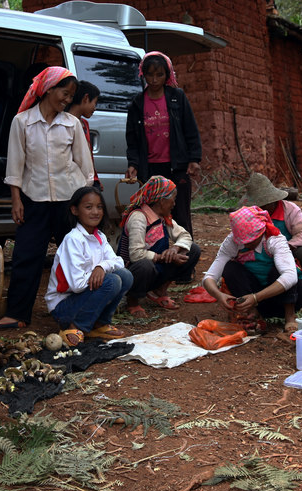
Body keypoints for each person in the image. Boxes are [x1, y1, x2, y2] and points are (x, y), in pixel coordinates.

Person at [0, 66, 94, 331]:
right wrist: (16, 199)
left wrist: (84, 202)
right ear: (48, 89)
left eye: (71, 96)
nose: (67, 100)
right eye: (64, 94)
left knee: (77, 256)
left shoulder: (72, 125)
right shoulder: (22, 122)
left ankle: (83, 312)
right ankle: (17, 314)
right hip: (34, 199)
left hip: (69, 201)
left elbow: (84, 166)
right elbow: (16, 164)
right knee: (26, 256)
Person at [125, 52, 202, 268]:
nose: (154, 79)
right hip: (150, 169)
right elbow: (131, 138)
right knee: (152, 215)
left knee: (181, 214)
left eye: (159, 75)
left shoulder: (177, 97)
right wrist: (133, 164)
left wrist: (194, 158)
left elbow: (190, 128)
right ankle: (157, 263)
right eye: (149, 75)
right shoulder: (138, 103)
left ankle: (185, 266)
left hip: (176, 166)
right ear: (144, 75)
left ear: (166, 75)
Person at [45, 187, 133, 347]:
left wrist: (101, 266)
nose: (95, 212)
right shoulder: (73, 240)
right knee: (112, 281)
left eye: (99, 207)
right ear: (74, 210)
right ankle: (74, 326)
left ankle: (99, 324)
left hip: (83, 299)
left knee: (125, 276)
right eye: (88, 207)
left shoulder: (99, 236)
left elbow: (118, 262)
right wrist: (101, 274)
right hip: (63, 306)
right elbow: (77, 286)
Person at [201, 206, 302, 334]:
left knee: (279, 271)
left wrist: (256, 297)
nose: (246, 244)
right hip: (257, 301)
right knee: (230, 268)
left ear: (261, 232)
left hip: (289, 297)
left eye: (251, 240)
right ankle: (254, 314)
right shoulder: (231, 242)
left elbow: (290, 277)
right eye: (242, 241)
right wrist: (218, 295)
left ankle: (290, 316)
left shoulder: (274, 239)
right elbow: (209, 277)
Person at [119, 176, 201, 317]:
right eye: (172, 199)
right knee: (145, 265)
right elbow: (136, 254)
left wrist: (174, 249)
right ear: (162, 200)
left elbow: (185, 236)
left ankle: (159, 290)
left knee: (193, 250)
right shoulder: (139, 217)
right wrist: (161, 257)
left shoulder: (163, 217)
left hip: (156, 267)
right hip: (134, 271)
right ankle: (132, 300)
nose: (174, 203)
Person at [241, 172, 302, 279]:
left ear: (273, 200)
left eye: (265, 204)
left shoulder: (290, 210)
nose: (261, 208)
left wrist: (284, 247)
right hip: (260, 254)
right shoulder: (249, 213)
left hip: (289, 250)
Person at [67, 80, 102, 191]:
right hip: (75, 182)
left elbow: (88, 156)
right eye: (94, 103)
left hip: (89, 179)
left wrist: (96, 179)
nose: (95, 108)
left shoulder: (84, 124)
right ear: (86, 98)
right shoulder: (65, 124)